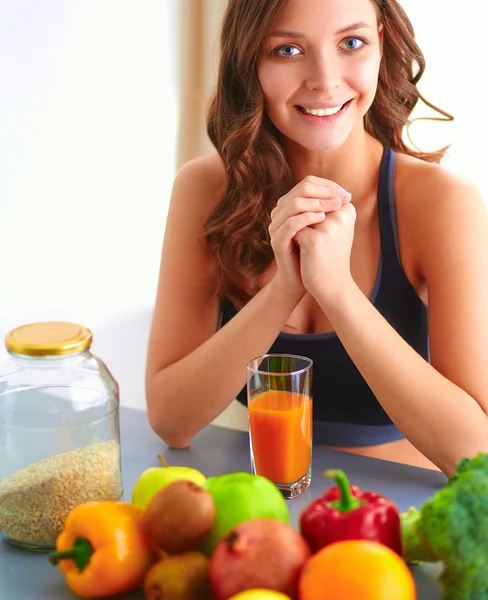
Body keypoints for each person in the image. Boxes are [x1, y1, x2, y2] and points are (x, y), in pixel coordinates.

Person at [145, 0, 488, 477]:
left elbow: (476, 451)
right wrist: (284, 289)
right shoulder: (205, 191)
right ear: (250, 63)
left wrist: (337, 291)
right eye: (287, 49)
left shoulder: (441, 202)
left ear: (382, 43)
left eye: (352, 43)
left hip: (403, 522)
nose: (324, 79)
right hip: (267, 518)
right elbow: (171, 420)